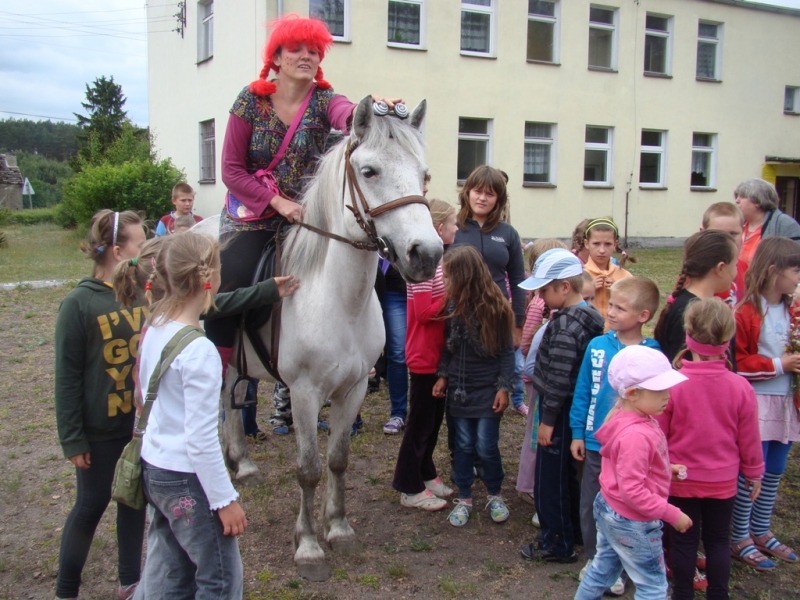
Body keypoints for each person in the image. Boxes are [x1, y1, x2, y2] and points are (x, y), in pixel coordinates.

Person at [204, 14, 397, 434]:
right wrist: (276, 201)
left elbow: (349, 116)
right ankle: (219, 367)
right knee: (229, 283)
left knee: (364, 272)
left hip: (309, 216)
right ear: (276, 56)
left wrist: (374, 112)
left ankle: (364, 356)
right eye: (297, 49)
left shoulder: (325, 98)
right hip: (254, 216)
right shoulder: (248, 102)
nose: (307, 56)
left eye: (314, 50)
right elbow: (232, 170)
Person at [137, 233, 246, 598]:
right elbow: (200, 440)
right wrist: (224, 500)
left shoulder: (155, 327)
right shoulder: (199, 351)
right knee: (220, 578)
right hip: (188, 480)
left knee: (175, 573)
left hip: (155, 469)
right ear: (208, 278)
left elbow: (145, 399)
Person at [54, 209, 147, 600]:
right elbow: (67, 377)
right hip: (98, 432)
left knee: (132, 502)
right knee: (90, 506)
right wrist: (73, 439)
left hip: (136, 426)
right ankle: (65, 591)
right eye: (140, 246)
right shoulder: (78, 304)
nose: (146, 254)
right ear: (116, 250)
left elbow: (208, 302)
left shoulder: (141, 292)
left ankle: (131, 582)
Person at [657, 298, 764, 600]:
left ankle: (682, 594)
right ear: (727, 340)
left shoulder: (672, 384)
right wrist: (754, 473)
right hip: (723, 481)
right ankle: (719, 594)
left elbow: (659, 436)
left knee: (683, 541)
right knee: (718, 541)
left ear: (688, 334)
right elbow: (749, 438)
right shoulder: (740, 387)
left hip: (681, 479)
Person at [574, 345, 692, 600]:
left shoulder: (626, 417)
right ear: (633, 393)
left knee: (601, 570)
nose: (668, 396)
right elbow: (633, 491)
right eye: (660, 390)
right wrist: (672, 514)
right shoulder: (637, 434)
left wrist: (663, 468)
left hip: (610, 509)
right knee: (652, 587)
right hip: (633, 521)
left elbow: (625, 468)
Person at [570, 276, 661, 596]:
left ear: (643, 317)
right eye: (611, 304)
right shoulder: (597, 346)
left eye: (620, 308)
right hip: (598, 444)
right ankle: (597, 560)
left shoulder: (653, 353)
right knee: (592, 502)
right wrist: (578, 432)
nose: (610, 312)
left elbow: (661, 400)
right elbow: (583, 391)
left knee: (629, 505)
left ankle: (624, 562)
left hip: (635, 448)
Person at [518, 248, 604, 563]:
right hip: (569, 411)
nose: (539, 297)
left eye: (544, 290)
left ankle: (556, 543)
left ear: (564, 288)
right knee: (566, 474)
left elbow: (559, 375)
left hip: (559, 410)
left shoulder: (567, 326)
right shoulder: (587, 315)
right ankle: (573, 531)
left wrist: (548, 419)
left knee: (550, 479)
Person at [433, 245, 515, 527]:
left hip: (488, 389)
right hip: (460, 388)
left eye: (448, 277)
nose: (444, 282)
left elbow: (506, 352)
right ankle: (465, 497)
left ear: (464, 276)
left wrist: (504, 387)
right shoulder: (453, 307)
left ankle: (495, 493)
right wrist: (443, 376)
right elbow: (448, 348)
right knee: (464, 444)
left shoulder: (497, 307)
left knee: (486, 445)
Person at [731, 236, 800, 570]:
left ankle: (760, 528)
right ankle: (739, 533)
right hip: (758, 402)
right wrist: (778, 365)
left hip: (787, 402)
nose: (798, 277)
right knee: (751, 469)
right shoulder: (747, 311)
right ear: (774, 271)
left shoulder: (794, 311)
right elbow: (739, 362)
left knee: (775, 467)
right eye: (795, 270)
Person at [393, 199, 457, 511]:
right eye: (454, 223)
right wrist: (455, 302)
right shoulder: (422, 266)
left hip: (439, 354)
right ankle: (408, 485)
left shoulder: (440, 262)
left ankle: (426, 472)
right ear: (439, 228)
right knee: (419, 422)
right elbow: (421, 314)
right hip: (423, 355)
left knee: (434, 421)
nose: (457, 228)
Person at [453, 165, 527, 415]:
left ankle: (489, 416)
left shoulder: (508, 234)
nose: (482, 198)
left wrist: (517, 324)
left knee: (496, 371)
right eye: (478, 191)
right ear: (467, 193)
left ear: (499, 200)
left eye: (490, 194)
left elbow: (518, 280)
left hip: (496, 316)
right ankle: (459, 446)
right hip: (458, 316)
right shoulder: (453, 229)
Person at [516, 239, 568, 508]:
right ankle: (530, 485)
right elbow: (528, 341)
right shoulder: (541, 304)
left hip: (545, 380)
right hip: (538, 380)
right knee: (536, 435)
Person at [654, 229, 738, 363]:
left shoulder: (685, 303)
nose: (736, 272)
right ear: (721, 268)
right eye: (735, 265)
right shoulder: (695, 313)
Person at [735, 178, 800, 268]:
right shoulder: (738, 225)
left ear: (757, 201)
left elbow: (794, 262)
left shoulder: (784, 224)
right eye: (736, 197)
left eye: (742, 197)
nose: (737, 201)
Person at [582, 218, 634, 320]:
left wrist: (619, 290)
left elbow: (635, 307)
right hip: (586, 333)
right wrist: (587, 290)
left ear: (615, 244)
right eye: (596, 244)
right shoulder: (579, 275)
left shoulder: (625, 277)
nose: (602, 250)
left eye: (608, 244)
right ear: (586, 243)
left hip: (616, 333)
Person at [700, 202, 747, 306]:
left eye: (733, 234)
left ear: (743, 233)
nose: (727, 240)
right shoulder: (696, 273)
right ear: (702, 233)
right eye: (718, 234)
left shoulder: (746, 270)